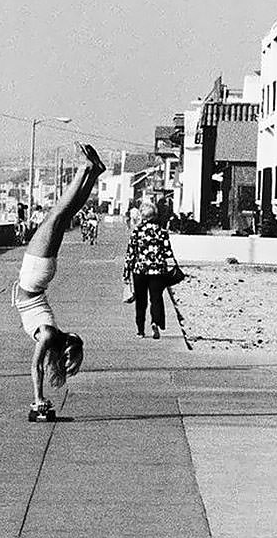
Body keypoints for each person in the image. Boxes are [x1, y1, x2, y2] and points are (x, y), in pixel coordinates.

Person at [13, 142, 106, 421]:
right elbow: (35, 367)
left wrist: (40, 400)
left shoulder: (52, 333)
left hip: (40, 276)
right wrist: (38, 397)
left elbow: (39, 365)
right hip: (34, 276)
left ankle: (93, 172)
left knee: (62, 216)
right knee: (56, 215)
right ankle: (86, 170)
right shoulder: (49, 334)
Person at [123, 203, 176, 339]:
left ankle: (140, 330)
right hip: (157, 271)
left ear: (142, 215)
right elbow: (167, 252)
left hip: (139, 270)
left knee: (141, 301)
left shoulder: (137, 231)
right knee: (156, 298)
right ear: (155, 215)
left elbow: (130, 254)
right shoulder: (161, 232)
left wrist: (126, 274)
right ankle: (155, 323)